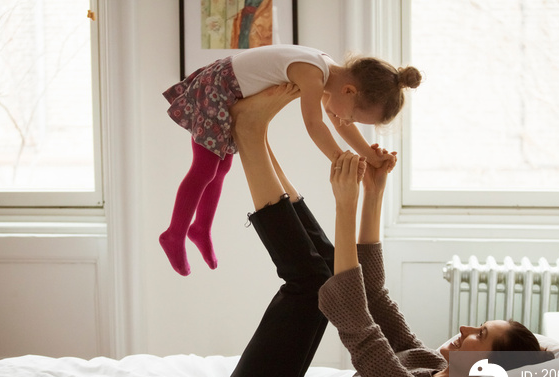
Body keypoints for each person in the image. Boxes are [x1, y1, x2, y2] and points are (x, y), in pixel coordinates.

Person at [208, 84, 554, 377]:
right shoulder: (430, 363)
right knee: (325, 265)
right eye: (478, 326)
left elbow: (358, 327)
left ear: (487, 372)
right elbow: (374, 295)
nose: (465, 329)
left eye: (481, 335)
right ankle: (257, 136)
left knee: (311, 283)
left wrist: (346, 205)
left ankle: (248, 132)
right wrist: (373, 194)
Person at [160, 44, 421, 275]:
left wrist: (369, 155)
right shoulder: (312, 74)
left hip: (226, 90)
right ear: (350, 91)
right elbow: (314, 124)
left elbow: (339, 124)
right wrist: (339, 159)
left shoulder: (328, 74)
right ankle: (174, 234)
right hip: (217, 88)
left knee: (221, 167)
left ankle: (200, 228)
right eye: (353, 116)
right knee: (205, 169)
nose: (348, 121)